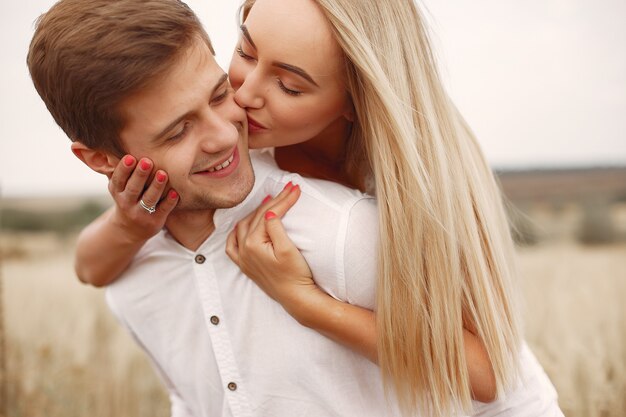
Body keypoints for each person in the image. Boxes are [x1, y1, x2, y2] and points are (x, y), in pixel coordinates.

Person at [59, 1, 564, 417]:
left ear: (354, 99)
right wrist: (130, 224)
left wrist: (306, 302)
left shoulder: (413, 189)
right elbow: (91, 266)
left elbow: (489, 375)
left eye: (290, 85)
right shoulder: (227, 148)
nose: (243, 96)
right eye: (244, 51)